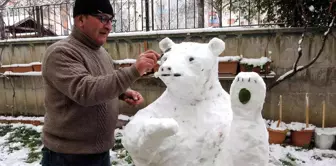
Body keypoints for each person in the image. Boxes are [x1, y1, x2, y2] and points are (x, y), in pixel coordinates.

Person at [40, 0, 160, 165]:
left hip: (99, 152)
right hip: (68, 156)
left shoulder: (101, 51)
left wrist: (123, 92)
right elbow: (86, 91)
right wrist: (134, 71)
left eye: (111, 20)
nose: (109, 26)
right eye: (103, 18)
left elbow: (104, 80)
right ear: (80, 20)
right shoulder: (61, 53)